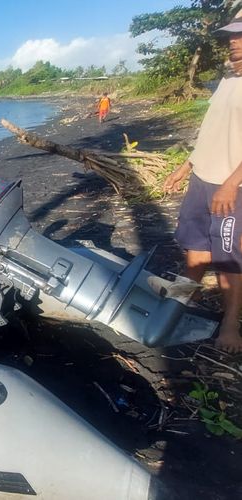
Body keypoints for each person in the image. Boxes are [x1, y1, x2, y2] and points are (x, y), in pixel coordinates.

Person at [163, 11, 242, 353]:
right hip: (201, 180)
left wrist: (230, 183)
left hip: (232, 188)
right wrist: (185, 166)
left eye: (240, 36)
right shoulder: (227, 81)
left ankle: (230, 324)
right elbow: (210, 133)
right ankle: (174, 306)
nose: (233, 42)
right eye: (231, 37)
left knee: (228, 260)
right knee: (195, 254)